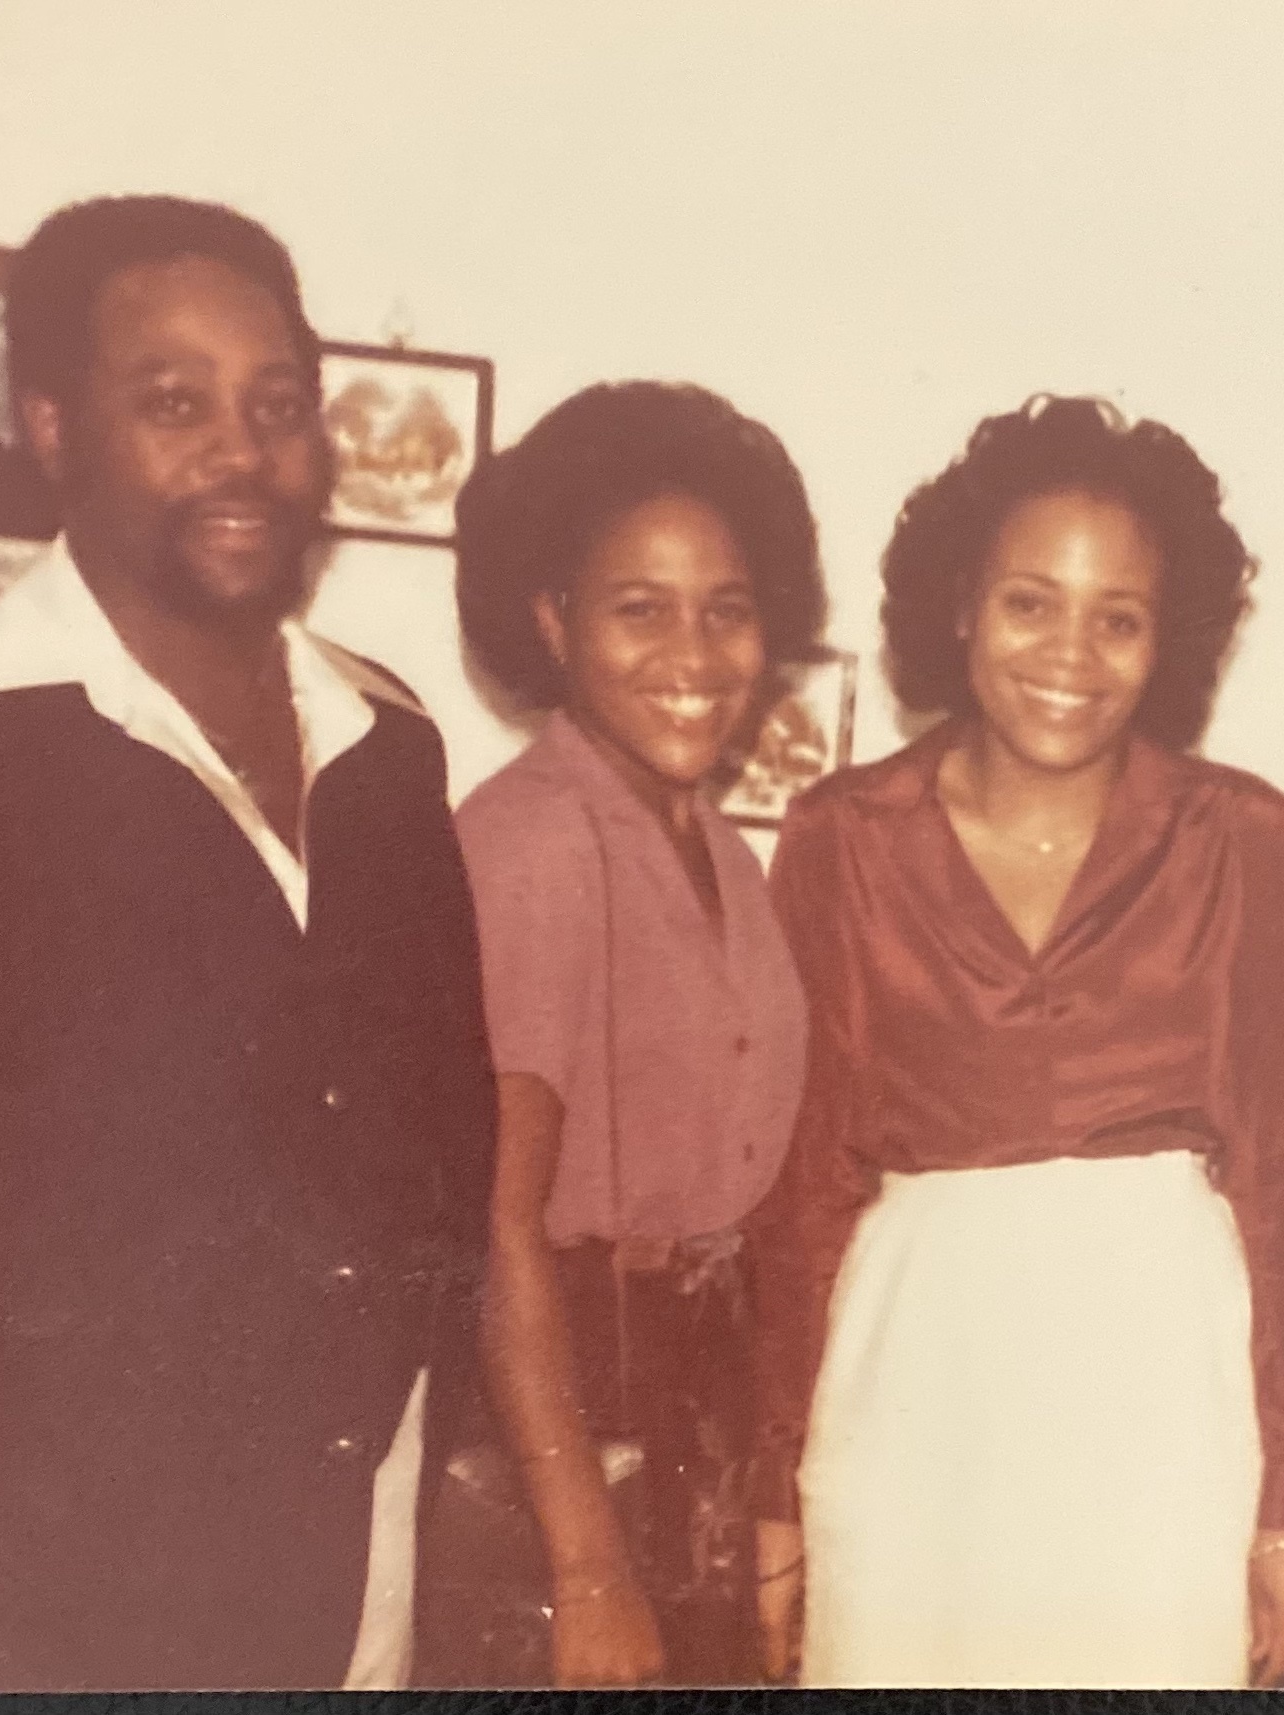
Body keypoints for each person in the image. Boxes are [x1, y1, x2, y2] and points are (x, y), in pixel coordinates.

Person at [0, 196, 493, 1691]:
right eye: (174, 404)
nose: (241, 454)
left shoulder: (389, 748)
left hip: (359, 1566)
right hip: (50, 1610)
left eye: (277, 406)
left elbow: (451, 1135)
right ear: (53, 426)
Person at [745, 396, 1284, 1688]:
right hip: (916, 1368)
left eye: (1117, 616)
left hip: (1159, 1378)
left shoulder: (1239, 838)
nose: (1070, 651)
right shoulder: (839, 836)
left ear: (1163, 637)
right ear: (962, 602)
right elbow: (801, 1190)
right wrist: (774, 1484)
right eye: (1031, 601)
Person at [438, 382, 826, 1686]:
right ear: (552, 621)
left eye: (727, 608)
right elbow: (496, 1228)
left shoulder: (711, 838)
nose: (694, 653)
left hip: (689, 1413)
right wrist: (589, 1566)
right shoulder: (540, 839)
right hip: (574, 1426)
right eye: (638, 607)